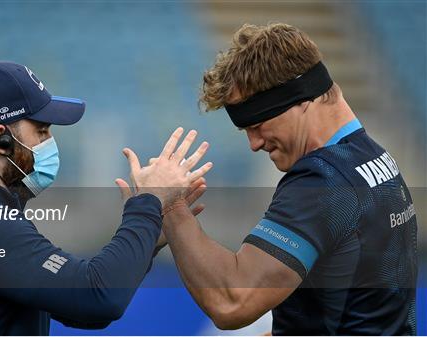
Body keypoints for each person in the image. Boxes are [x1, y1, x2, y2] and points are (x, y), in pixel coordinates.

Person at [124, 23, 418, 335]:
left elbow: (232, 301)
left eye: (257, 123)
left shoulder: (323, 180)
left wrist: (169, 205)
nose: (254, 143)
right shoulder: (372, 157)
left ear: (300, 98)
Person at [0, 60, 212, 335]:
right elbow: (97, 296)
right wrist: (146, 204)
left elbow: (83, 309)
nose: (50, 143)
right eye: (41, 131)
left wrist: (149, 236)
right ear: (1, 140)